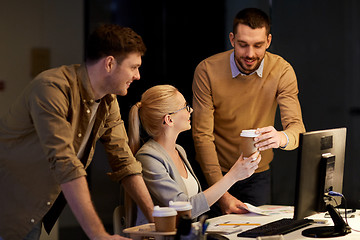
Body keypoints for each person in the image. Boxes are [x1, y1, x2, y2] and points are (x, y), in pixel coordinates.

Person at [0, 24, 154, 240]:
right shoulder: (52, 88)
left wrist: (157, 220)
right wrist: (99, 235)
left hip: (35, 206)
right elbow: (64, 161)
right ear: (110, 63)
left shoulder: (109, 101)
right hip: (9, 201)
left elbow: (124, 161)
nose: (138, 75)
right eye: (134, 67)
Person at [192, 8, 305, 216]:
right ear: (232, 39)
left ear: (269, 41)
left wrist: (281, 137)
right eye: (243, 45)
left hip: (257, 175)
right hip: (216, 173)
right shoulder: (207, 70)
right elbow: (202, 136)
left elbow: (297, 130)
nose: (250, 54)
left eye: (258, 45)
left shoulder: (282, 70)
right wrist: (222, 194)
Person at [127, 84, 261, 224]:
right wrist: (233, 176)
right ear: (169, 119)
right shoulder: (148, 158)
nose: (190, 110)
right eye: (185, 107)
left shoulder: (179, 150)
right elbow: (184, 209)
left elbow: (194, 204)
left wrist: (227, 198)